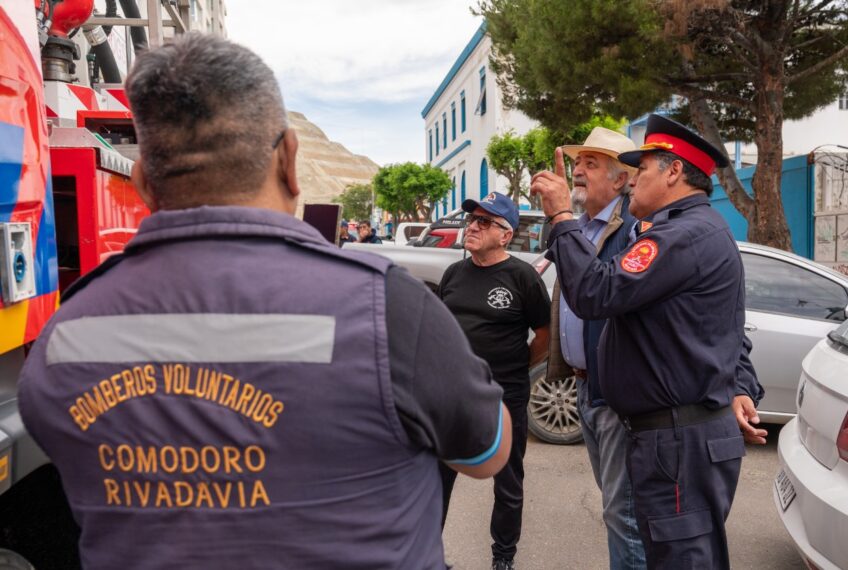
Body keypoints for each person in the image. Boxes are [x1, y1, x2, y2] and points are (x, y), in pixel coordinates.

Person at [17, 33, 512, 570]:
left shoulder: (62, 334)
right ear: (290, 159)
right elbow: (488, 454)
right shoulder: (387, 307)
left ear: (141, 181)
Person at [530, 114, 765, 569]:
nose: (634, 180)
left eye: (644, 169)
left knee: (679, 558)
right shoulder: (688, 230)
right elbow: (723, 326)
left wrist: (561, 215)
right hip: (670, 434)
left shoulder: (682, 235)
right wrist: (739, 385)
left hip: (676, 438)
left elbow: (595, 293)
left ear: (673, 171)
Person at [545, 128, 646, 570]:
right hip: (586, 389)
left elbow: (602, 294)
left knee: (623, 515)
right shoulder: (578, 227)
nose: (578, 172)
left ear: (621, 180)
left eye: (590, 164)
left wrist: (561, 215)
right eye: (577, 163)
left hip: (617, 396)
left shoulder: (634, 230)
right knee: (615, 505)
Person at [437, 192, 550, 570]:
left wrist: (515, 367)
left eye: (484, 222)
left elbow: (545, 335)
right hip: (453, 396)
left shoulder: (522, 277)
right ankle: (426, 550)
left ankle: (503, 558)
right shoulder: (454, 273)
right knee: (437, 477)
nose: (472, 226)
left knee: (508, 482)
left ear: (505, 234)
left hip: (505, 395)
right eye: (472, 219)